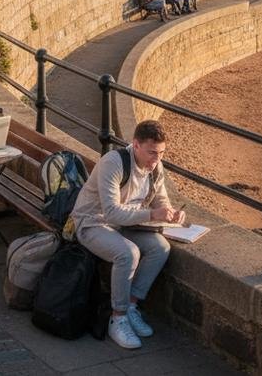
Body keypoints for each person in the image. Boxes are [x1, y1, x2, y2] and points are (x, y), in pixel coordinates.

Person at [71, 119, 184, 350]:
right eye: (152, 152)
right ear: (136, 145)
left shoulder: (156, 167)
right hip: (92, 222)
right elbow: (111, 213)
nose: (157, 159)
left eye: (161, 153)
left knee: (160, 248)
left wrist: (171, 214)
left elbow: (161, 200)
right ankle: (118, 317)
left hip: (125, 226)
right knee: (128, 253)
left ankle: (131, 305)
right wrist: (153, 215)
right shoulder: (114, 162)